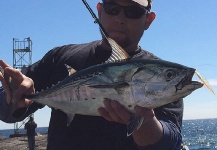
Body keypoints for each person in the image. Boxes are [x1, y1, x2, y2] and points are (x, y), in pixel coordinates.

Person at [0, 0, 183, 149]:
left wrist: (146, 124)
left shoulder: (162, 77)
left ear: (148, 20)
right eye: (112, 8)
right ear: (99, 10)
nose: (120, 18)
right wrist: (12, 97)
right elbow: (5, 111)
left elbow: (172, 140)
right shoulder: (60, 57)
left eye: (133, 11)